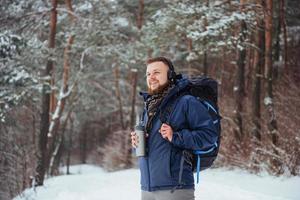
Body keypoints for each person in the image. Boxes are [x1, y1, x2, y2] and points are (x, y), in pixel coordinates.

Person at [131, 57, 218, 200]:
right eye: (148, 74)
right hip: (147, 189)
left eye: (156, 72)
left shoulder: (186, 102)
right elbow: (157, 147)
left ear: (170, 75)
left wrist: (175, 136)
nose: (151, 77)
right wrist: (136, 144)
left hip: (176, 189)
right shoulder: (149, 107)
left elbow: (209, 136)